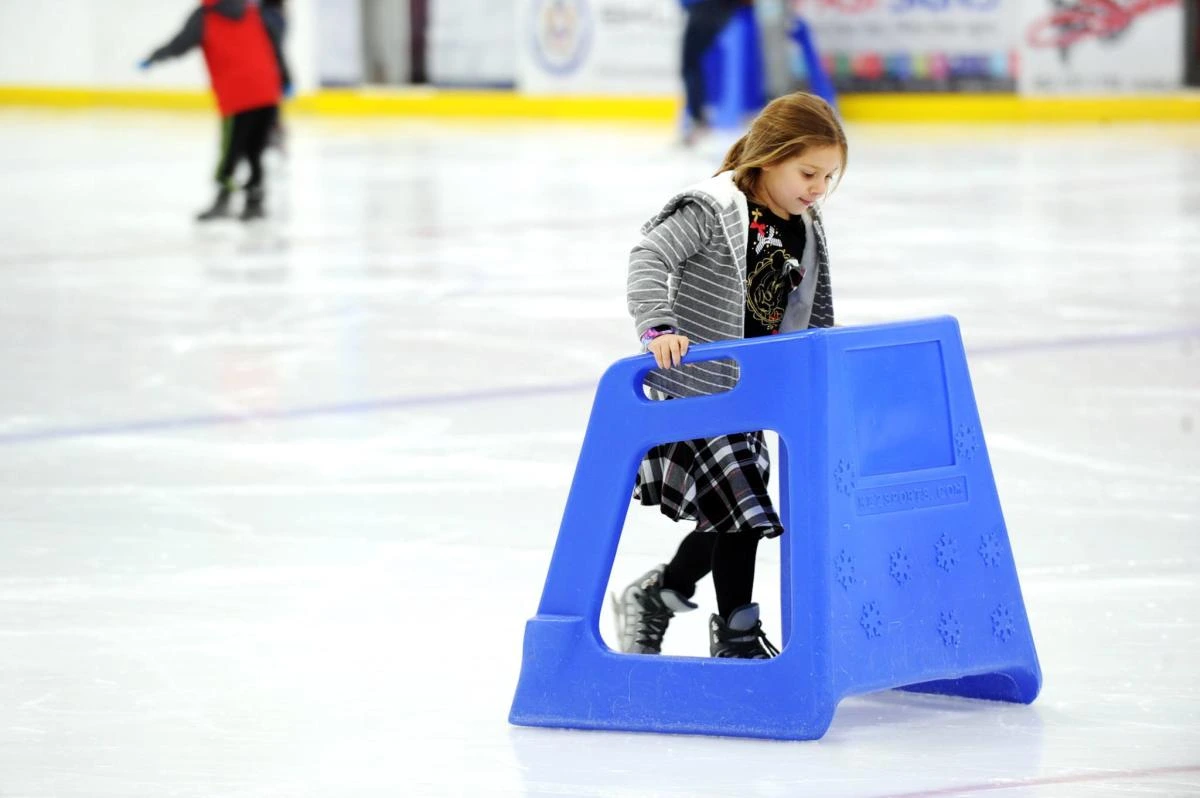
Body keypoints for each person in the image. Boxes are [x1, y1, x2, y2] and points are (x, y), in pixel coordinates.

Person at [617, 91, 846, 659]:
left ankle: (660, 593)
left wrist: (821, 371)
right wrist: (658, 327)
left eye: (829, 176)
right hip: (695, 393)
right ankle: (738, 640)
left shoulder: (803, 224)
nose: (818, 188)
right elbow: (649, 257)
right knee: (742, 516)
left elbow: (810, 311)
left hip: (751, 396)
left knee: (733, 514)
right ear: (770, 157)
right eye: (809, 172)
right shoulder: (712, 209)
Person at [140, 0, 292, 221]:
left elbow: (180, 44)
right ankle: (255, 202)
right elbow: (274, 47)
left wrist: (154, 56)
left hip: (237, 96)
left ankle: (223, 199)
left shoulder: (206, 15)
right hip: (267, 90)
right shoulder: (253, 12)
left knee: (230, 152)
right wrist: (286, 79)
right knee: (254, 151)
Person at [680, 0, 750, 145]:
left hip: (707, 7)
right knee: (694, 63)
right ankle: (699, 119)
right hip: (714, 9)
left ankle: (698, 120)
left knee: (691, 64)